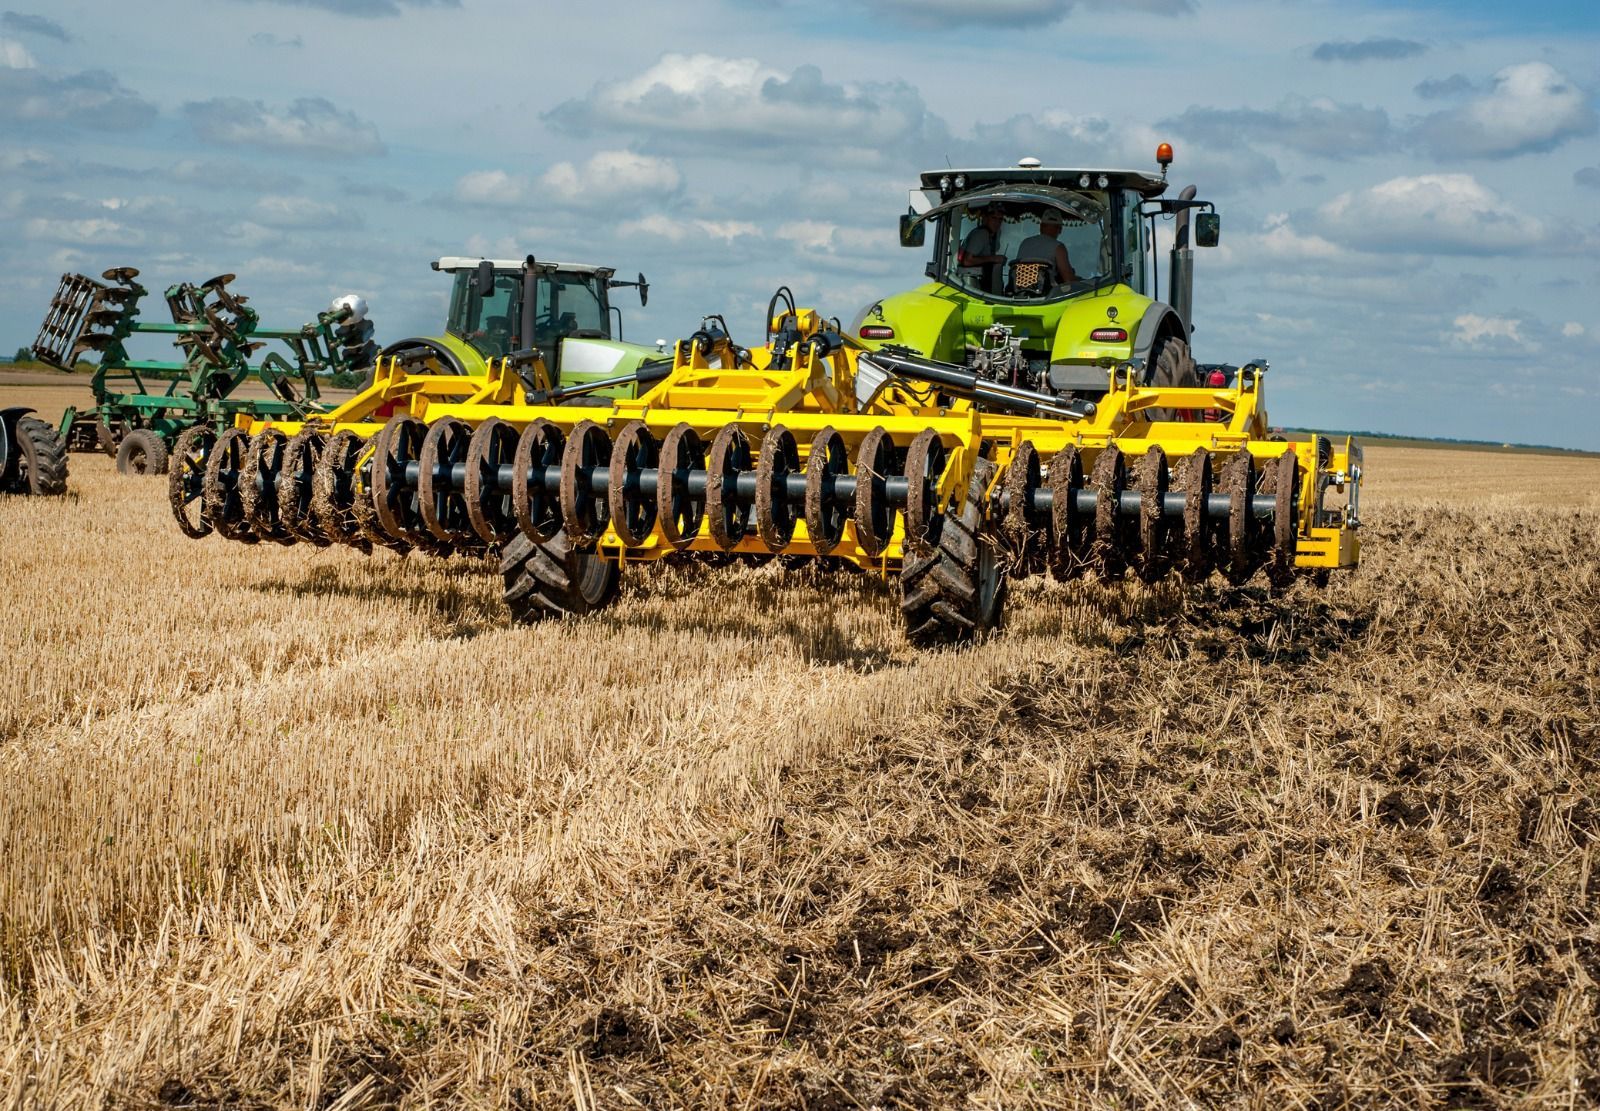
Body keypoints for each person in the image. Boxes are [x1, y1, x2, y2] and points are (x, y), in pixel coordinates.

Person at [1015, 212, 1079, 289]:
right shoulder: (1058, 247)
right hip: (1046, 296)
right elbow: (1069, 280)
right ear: (1060, 230)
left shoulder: (1025, 243)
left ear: (1041, 226)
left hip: (1019, 292)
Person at [958, 205, 1007, 293]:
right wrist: (994, 258)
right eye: (994, 218)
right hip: (974, 285)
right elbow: (967, 261)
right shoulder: (981, 234)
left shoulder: (994, 234)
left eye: (1000, 219)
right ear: (984, 218)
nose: (997, 222)